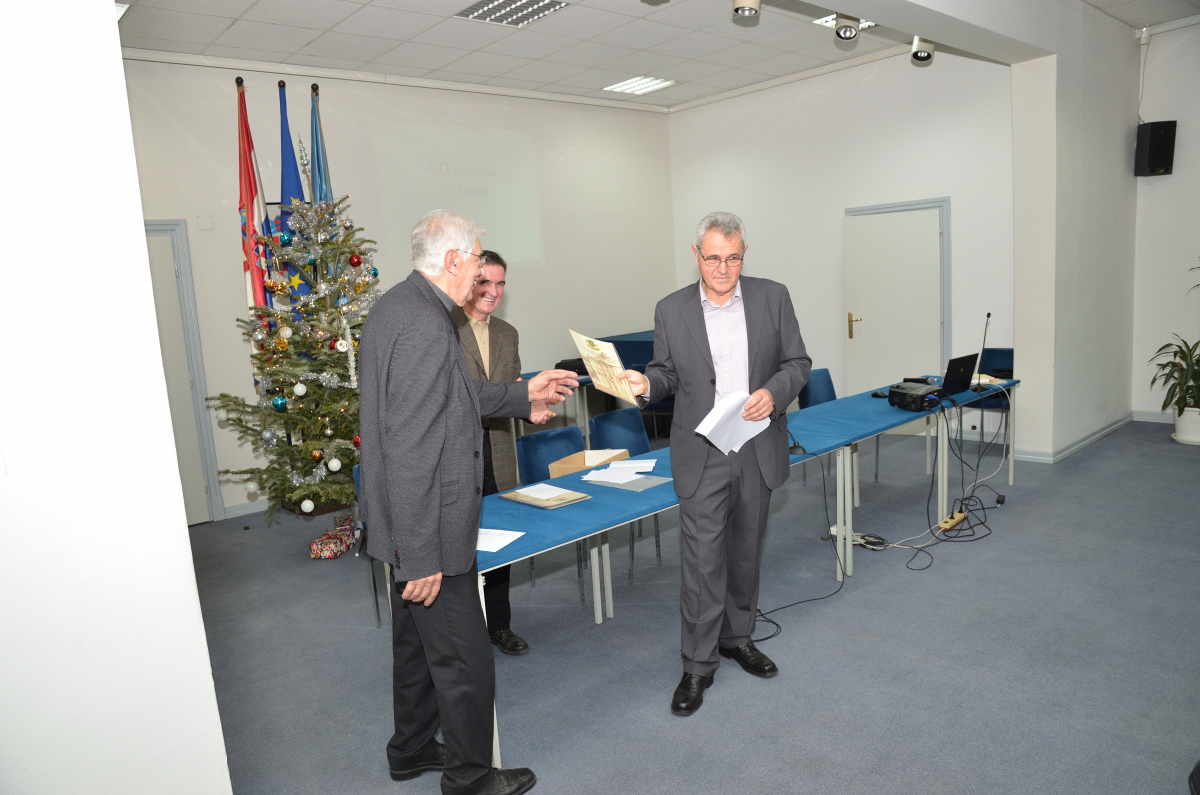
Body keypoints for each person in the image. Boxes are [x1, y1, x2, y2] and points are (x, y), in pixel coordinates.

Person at [359, 210, 576, 795]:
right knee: (464, 662)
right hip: (429, 529)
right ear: (453, 260)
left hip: (398, 522)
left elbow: (451, 395)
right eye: (478, 258)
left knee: (415, 645)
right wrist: (422, 555)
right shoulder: (428, 326)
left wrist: (522, 396)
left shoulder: (400, 306)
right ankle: (470, 779)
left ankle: (410, 747)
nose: (482, 270)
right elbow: (411, 448)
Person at [620, 211, 811, 717]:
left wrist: (774, 392)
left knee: (745, 554)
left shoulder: (773, 297)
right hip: (701, 452)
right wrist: (645, 384)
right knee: (703, 564)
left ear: (744, 255)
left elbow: (798, 363)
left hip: (756, 445)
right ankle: (697, 665)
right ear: (696, 256)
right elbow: (664, 375)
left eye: (733, 258)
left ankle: (737, 638)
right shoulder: (671, 309)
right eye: (713, 259)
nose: (723, 268)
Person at [452, 250, 552, 656]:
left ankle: (499, 625)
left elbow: (512, 391)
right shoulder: (443, 327)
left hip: (498, 450)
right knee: (458, 544)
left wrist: (531, 409)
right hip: (456, 455)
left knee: (500, 542)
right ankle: (464, 631)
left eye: (500, 283)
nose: (493, 291)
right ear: (469, 281)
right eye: (485, 282)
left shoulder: (507, 333)